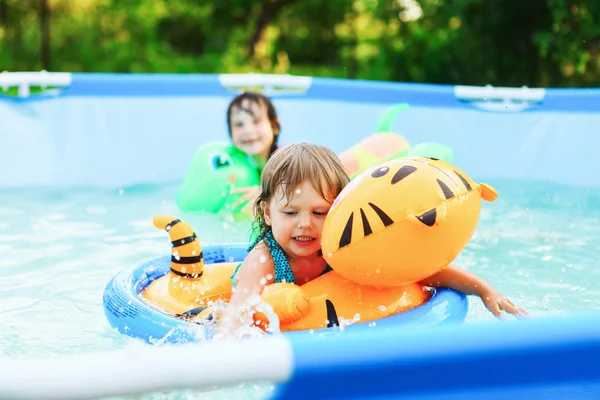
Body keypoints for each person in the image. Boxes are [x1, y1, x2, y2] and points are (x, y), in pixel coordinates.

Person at [218, 143, 528, 336]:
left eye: (319, 212)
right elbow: (238, 310)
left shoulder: (344, 248)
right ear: (267, 213)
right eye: (290, 213)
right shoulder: (264, 260)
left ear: (340, 211)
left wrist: (484, 290)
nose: (305, 225)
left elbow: (419, 271)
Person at [226, 91, 281, 214]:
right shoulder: (248, 168)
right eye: (239, 124)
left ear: (274, 126)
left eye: (256, 121)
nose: (248, 131)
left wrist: (265, 193)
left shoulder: (284, 158)